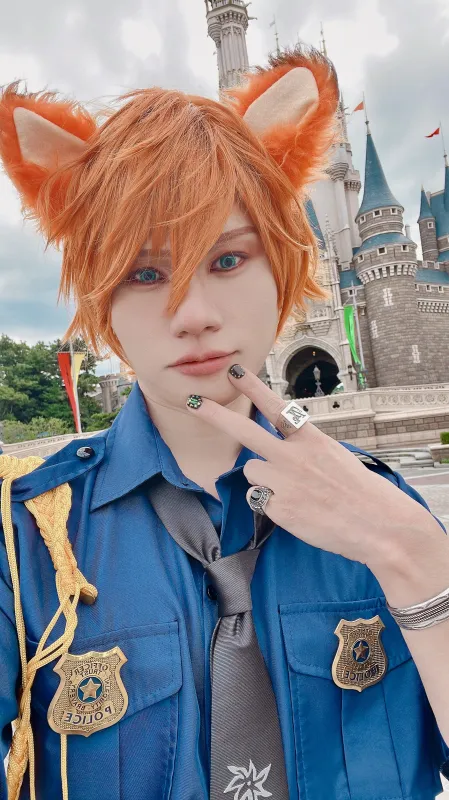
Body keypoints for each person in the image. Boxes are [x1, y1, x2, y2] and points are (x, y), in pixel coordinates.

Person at [0, 46, 448, 800]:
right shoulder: (26, 540)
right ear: (101, 300)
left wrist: (419, 562)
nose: (194, 315)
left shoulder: (386, 508)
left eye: (228, 260)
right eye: (145, 273)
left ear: (284, 268)